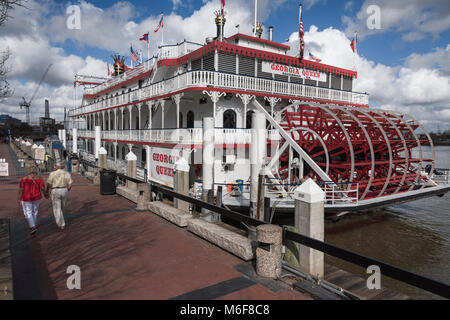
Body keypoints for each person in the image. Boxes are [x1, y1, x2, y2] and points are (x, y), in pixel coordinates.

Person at [18, 165, 46, 235]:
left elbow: (21, 190)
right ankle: (33, 224)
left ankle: (32, 226)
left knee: (28, 212)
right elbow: (42, 188)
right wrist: (45, 194)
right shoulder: (39, 178)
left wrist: (19, 198)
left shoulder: (24, 179)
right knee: (35, 211)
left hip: (26, 198)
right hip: (37, 197)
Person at [46, 161, 73, 230]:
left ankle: (61, 223)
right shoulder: (67, 173)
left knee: (56, 208)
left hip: (55, 189)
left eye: (55, 166)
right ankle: (61, 221)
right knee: (62, 206)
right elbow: (70, 184)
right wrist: (67, 190)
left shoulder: (53, 173)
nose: (55, 167)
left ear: (57, 166)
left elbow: (49, 183)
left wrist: (48, 190)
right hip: (64, 189)